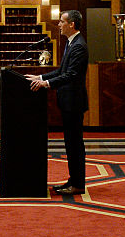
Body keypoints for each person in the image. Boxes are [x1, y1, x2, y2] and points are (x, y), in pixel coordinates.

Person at [26, 10, 89, 195]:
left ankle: (77, 184)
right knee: (71, 144)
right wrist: (40, 76)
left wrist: (46, 83)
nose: (59, 24)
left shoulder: (78, 46)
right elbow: (62, 70)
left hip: (74, 103)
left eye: (62, 21)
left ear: (72, 25)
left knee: (75, 144)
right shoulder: (71, 43)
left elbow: (71, 75)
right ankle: (74, 179)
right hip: (68, 102)